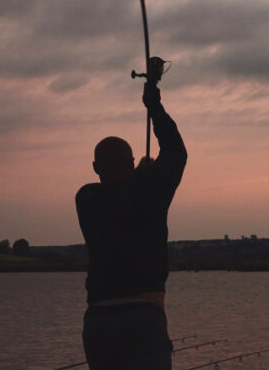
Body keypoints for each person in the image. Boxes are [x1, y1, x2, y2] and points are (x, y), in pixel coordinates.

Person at [76, 81, 187, 370]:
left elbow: (119, 193)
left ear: (95, 168)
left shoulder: (86, 198)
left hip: (98, 319)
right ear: (132, 162)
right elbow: (175, 152)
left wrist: (139, 177)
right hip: (143, 315)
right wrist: (154, 107)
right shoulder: (151, 189)